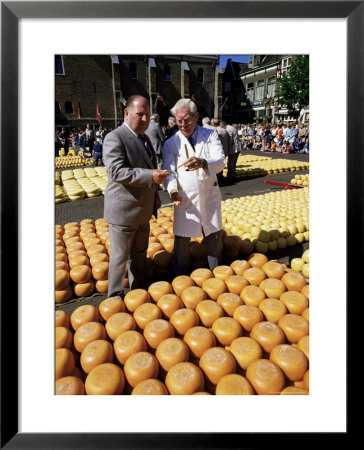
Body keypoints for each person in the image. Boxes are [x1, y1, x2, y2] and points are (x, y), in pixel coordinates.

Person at [102, 95, 169, 299]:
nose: (145, 119)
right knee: (120, 257)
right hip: (123, 212)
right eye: (140, 114)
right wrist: (151, 176)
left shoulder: (145, 137)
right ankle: (114, 298)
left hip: (143, 210)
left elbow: (148, 167)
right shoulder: (115, 137)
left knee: (139, 255)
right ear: (127, 113)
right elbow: (116, 171)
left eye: (147, 115)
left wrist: (155, 196)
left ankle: (138, 292)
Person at [162, 98, 225, 276]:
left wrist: (204, 162)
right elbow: (170, 172)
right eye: (179, 121)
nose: (183, 124)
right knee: (182, 244)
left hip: (208, 197)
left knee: (213, 239)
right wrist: (172, 190)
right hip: (184, 199)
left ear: (196, 116)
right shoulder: (171, 143)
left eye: (187, 120)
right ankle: (182, 278)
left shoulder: (210, 135)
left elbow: (220, 162)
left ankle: (217, 275)